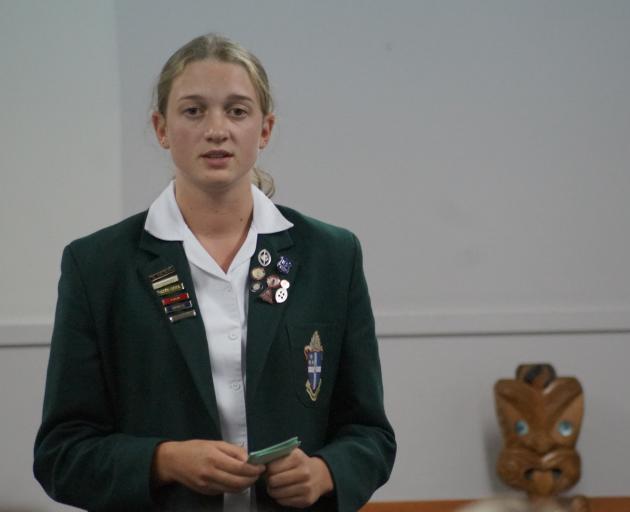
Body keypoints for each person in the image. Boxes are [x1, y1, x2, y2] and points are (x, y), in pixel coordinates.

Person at [33, 33, 396, 511]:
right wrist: (163, 461)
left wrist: (326, 472)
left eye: (238, 111)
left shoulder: (331, 255)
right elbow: (62, 454)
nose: (217, 129)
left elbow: (370, 433)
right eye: (193, 111)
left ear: (264, 130)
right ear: (161, 128)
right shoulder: (98, 266)